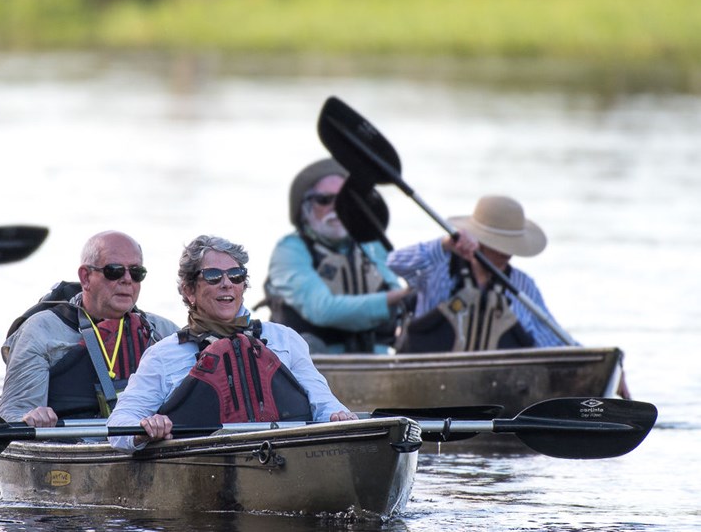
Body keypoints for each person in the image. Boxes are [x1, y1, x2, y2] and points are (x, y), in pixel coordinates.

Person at [107, 235, 358, 454]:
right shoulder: (163, 355)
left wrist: (339, 417)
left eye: (236, 276)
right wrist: (143, 430)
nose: (227, 283)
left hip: (286, 453)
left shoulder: (286, 339)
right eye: (213, 276)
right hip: (204, 466)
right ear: (189, 291)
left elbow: (324, 404)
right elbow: (119, 426)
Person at [0, 230, 180, 427]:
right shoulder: (40, 331)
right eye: (114, 270)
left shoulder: (165, 332)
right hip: (67, 444)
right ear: (85, 277)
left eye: (136, 273)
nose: (127, 279)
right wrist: (29, 418)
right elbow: (12, 414)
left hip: (143, 445)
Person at [387, 194, 576, 352]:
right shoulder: (439, 269)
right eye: (498, 244)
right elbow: (396, 263)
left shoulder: (522, 284)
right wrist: (446, 244)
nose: (506, 253)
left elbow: (552, 340)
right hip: (428, 377)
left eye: (511, 246)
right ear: (479, 238)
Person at [263, 158, 412, 354]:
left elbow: (402, 303)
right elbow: (322, 310)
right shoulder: (290, 251)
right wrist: (393, 298)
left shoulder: (371, 244)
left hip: (379, 364)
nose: (336, 207)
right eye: (325, 200)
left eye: (345, 199)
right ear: (304, 209)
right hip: (311, 368)